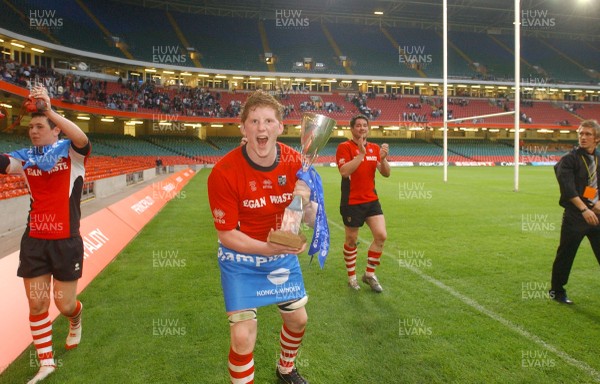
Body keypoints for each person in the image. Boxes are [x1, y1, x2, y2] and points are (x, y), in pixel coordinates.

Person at [207, 90, 316, 384]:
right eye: (254, 121)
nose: (261, 128)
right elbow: (226, 234)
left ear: (281, 127)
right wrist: (268, 248)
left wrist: (308, 204)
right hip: (240, 257)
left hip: (279, 254)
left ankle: (285, 369)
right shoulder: (224, 172)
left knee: (298, 319)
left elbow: (309, 219)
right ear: (243, 128)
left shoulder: (297, 163)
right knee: (242, 337)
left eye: (269, 120)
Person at [0, 85, 90, 383]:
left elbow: (82, 138)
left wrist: (49, 109)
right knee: (37, 304)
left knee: (64, 304)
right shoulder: (25, 158)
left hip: (66, 241)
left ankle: (76, 318)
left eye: (40, 126)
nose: (33, 132)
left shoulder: (72, 154)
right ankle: (46, 363)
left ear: (55, 130)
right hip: (35, 241)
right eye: (30, 127)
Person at [336, 114, 390, 292]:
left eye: (364, 125)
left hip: (371, 200)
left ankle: (369, 274)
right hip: (351, 202)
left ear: (368, 128)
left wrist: (382, 159)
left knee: (381, 235)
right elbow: (344, 171)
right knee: (351, 240)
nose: (361, 128)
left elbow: (386, 173)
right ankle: (352, 277)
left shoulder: (374, 148)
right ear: (352, 129)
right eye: (358, 125)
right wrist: (360, 155)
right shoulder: (344, 147)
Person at [551, 119, 600, 305]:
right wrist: (584, 209)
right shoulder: (569, 159)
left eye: (588, 134)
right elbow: (567, 188)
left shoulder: (598, 159)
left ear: (597, 139)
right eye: (581, 133)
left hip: (596, 214)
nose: (583, 137)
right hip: (576, 216)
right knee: (566, 254)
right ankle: (557, 291)